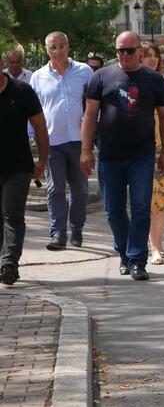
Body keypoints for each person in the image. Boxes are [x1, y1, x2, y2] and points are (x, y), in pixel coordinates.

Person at [81, 31, 164, 281]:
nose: (125, 55)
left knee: (141, 207)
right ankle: (124, 253)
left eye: (130, 50)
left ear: (140, 52)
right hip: (110, 155)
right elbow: (90, 116)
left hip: (142, 154)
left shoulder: (154, 79)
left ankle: (138, 260)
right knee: (114, 210)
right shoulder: (101, 77)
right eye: (120, 50)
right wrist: (86, 150)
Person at [30, 32, 93, 250]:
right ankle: (58, 233)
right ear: (46, 49)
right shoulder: (38, 76)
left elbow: (95, 105)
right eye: (53, 47)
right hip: (51, 141)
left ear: (68, 46)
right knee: (55, 189)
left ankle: (76, 228)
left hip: (79, 141)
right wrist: (31, 138)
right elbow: (33, 110)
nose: (58, 51)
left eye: (61, 46)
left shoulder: (84, 71)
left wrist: (92, 137)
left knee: (80, 190)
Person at [0, 67, 48, 287]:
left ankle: (9, 264)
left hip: (18, 166)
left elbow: (39, 126)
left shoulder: (22, 90)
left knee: (12, 214)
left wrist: (42, 161)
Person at [141, 42, 164, 265]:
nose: (153, 60)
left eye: (155, 56)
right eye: (147, 56)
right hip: (145, 147)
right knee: (150, 199)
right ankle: (153, 245)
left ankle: (157, 241)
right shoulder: (138, 83)